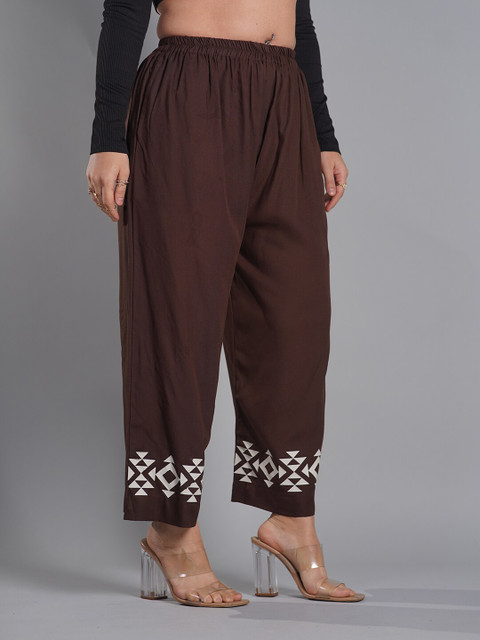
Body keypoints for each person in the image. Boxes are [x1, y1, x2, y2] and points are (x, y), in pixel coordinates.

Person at [85, 0, 364, 608]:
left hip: (284, 97)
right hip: (189, 88)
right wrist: (108, 136)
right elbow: (124, 11)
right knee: (177, 315)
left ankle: (290, 518)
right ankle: (171, 529)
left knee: (293, 319)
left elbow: (300, 19)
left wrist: (322, 134)